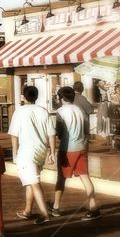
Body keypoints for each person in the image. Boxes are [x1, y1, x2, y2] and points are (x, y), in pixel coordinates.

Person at [8, 86, 56, 225]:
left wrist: (14, 152)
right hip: (41, 149)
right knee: (31, 180)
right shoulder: (43, 111)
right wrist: (52, 152)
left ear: (24, 96)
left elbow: (14, 135)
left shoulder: (20, 112)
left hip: (27, 151)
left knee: (33, 182)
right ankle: (27, 210)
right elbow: (51, 133)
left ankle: (45, 214)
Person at [51, 87, 101, 220]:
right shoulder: (79, 110)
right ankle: (93, 207)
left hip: (68, 148)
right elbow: (86, 130)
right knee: (85, 177)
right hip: (82, 146)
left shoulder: (60, 111)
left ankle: (56, 207)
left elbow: (59, 132)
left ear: (62, 98)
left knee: (61, 178)